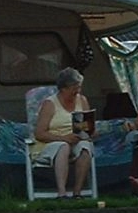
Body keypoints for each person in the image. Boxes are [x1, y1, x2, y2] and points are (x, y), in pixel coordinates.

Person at [31, 67, 94, 198]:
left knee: (85, 147)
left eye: (79, 87)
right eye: (74, 88)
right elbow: (39, 133)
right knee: (63, 146)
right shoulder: (50, 104)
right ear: (63, 88)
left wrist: (87, 133)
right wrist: (64, 138)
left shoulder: (82, 100)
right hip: (50, 143)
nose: (78, 91)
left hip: (75, 141)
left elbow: (89, 126)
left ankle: (77, 193)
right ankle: (62, 193)